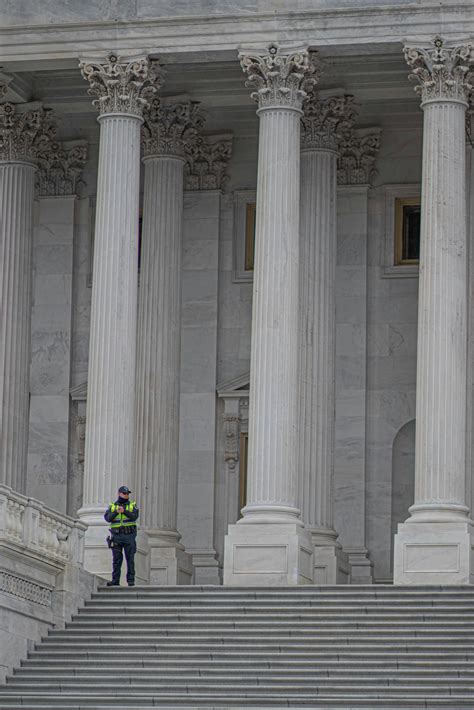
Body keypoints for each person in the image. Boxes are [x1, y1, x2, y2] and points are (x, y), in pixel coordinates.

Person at [104, 485, 139, 587]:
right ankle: (115, 581)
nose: (126, 495)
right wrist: (116, 511)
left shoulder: (132, 505)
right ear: (119, 493)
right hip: (116, 536)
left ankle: (131, 581)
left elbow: (134, 516)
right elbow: (107, 518)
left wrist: (125, 511)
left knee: (130, 559)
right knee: (116, 560)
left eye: (127, 493)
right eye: (124, 493)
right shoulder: (113, 506)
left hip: (129, 536)